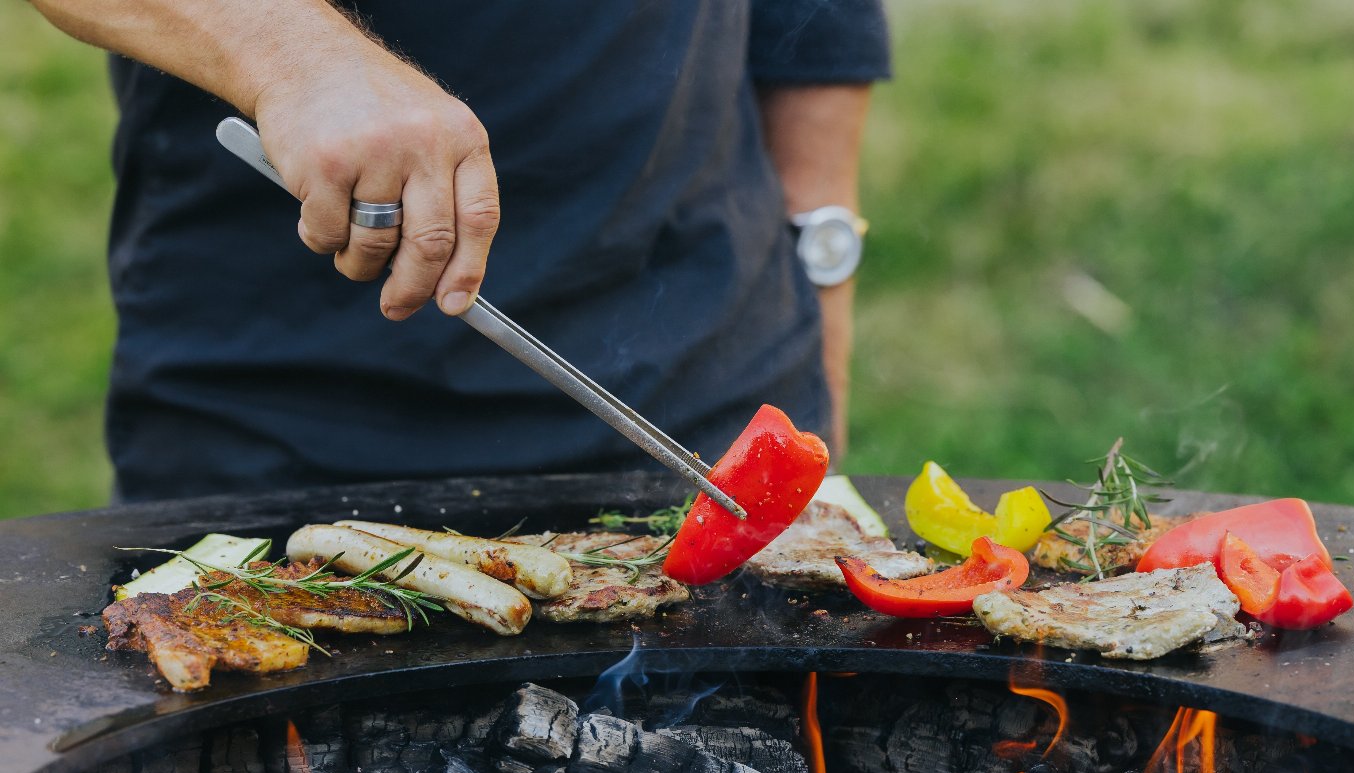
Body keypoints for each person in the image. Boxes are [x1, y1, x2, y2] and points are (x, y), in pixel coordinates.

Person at [29, 1, 890, 501]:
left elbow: (813, 23)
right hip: (288, 439)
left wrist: (821, 266)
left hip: (703, 430)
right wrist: (297, 56)